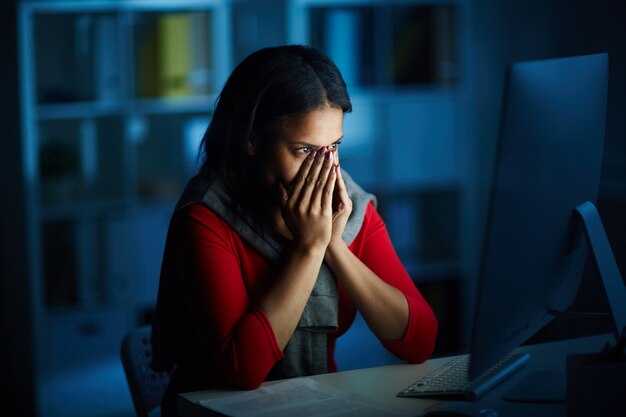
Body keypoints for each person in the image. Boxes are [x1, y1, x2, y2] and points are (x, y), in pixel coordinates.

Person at [151, 45, 438, 416]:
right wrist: (308, 249)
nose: (322, 170)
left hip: (318, 402)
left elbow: (419, 343)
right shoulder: (206, 216)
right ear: (252, 140)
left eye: (332, 147)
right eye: (304, 150)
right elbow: (244, 370)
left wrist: (332, 245)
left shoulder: (347, 203)